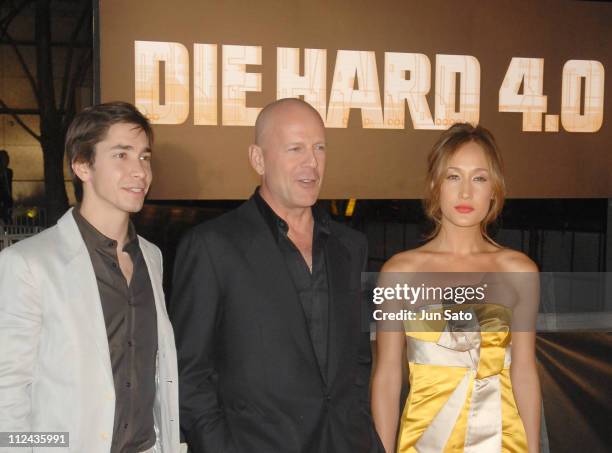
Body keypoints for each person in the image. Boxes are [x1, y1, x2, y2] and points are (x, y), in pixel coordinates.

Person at [171, 98, 384, 453]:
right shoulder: (212, 246)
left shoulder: (352, 247)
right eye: (295, 148)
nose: (311, 163)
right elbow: (189, 374)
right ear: (258, 159)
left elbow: (359, 360)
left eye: (319, 148)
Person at [0, 102, 180, 453]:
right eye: (121, 156)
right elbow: (7, 393)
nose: (139, 171)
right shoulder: (28, 263)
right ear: (82, 165)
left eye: (144, 157)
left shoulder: (152, 257)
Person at [371, 123, 541, 452]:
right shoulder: (398, 273)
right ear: (435, 185)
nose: (466, 193)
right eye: (453, 177)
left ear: (494, 189)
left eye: (479, 178)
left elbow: (524, 370)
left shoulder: (520, 271)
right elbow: (388, 375)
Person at [0, 149, 13, 224]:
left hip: (7, 200)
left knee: (7, 220)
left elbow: (9, 186)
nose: (7, 161)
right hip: (2, 200)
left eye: (7, 159)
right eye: (4, 159)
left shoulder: (9, 172)